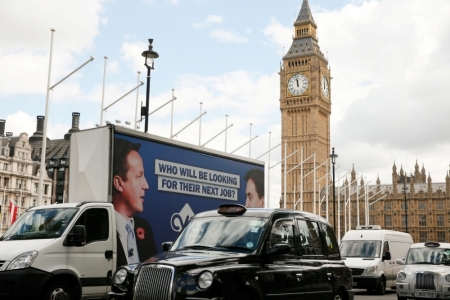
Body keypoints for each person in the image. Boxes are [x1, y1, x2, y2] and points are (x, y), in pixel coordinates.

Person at [113, 138, 157, 268]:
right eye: (139, 176)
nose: (146, 185)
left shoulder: (144, 228)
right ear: (118, 183)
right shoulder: (104, 230)